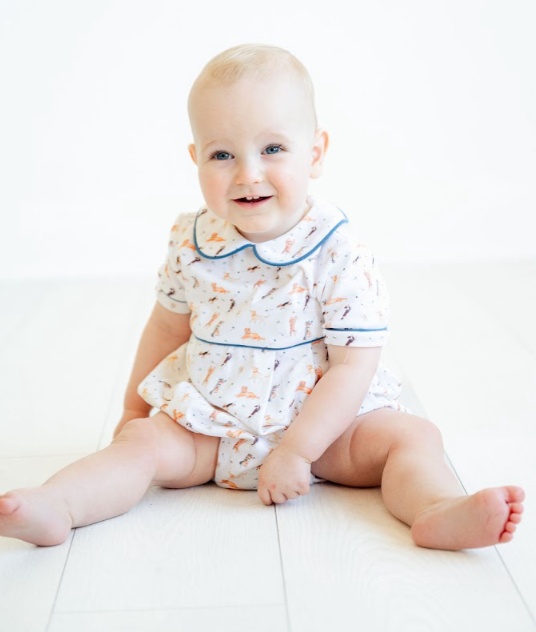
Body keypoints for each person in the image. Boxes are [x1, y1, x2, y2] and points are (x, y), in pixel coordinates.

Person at [0, 44, 524, 550]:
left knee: (411, 437)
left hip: (329, 431)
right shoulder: (192, 240)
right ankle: (59, 504)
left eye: (272, 149)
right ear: (195, 159)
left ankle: (435, 508)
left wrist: (298, 450)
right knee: (140, 447)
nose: (248, 173)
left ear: (315, 153)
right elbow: (165, 327)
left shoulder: (338, 250)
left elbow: (353, 366)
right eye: (222, 154)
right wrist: (133, 410)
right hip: (210, 426)